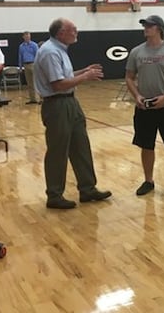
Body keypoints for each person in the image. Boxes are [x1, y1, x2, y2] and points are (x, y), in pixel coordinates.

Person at [34, 18, 112, 209]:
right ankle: (54, 195)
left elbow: (64, 77)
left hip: (69, 102)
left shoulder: (59, 50)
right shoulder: (51, 52)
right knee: (58, 150)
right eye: (73, 30)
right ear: (61, 33)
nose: (76, 32)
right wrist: (85, 77)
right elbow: (58, 84)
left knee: (81, 145)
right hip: (57, 105)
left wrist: (83, 71)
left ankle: (87, 188)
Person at [124, 15, 164, 196]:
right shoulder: (137, 52)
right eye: (144, 25)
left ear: (159, 28)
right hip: (145, 107)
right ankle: (148, 180)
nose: (145, 28)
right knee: (146, 145)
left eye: (149, 25)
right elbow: (129, 77)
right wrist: (137, 96)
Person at [18, 31, 39, 104]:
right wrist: (20, 67)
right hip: (25, 65)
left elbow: (37, 56)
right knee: (29, 83)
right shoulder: (21, 46)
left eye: (28, 36)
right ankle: (32, 99)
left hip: (33, 64)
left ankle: (38, 99)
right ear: (23, 37)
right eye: (26, 36)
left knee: (35, 82)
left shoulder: (34, 45)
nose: (27, 37)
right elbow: (20, 57)